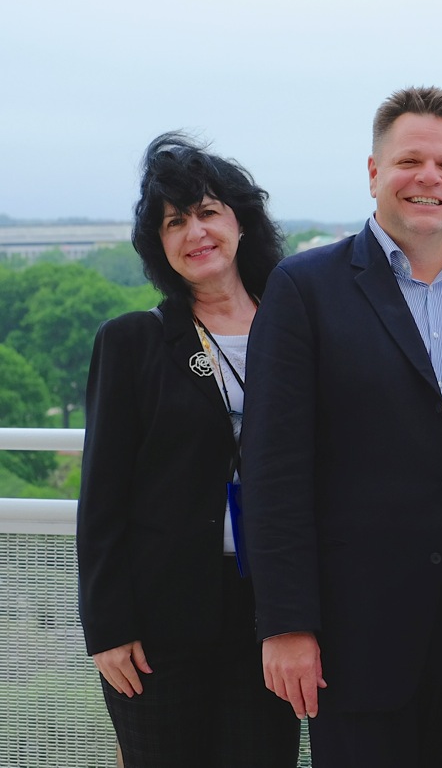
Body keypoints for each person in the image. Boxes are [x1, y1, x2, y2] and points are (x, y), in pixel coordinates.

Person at [239, 86, 442, 768]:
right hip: (357, 636)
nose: (429, 179)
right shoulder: (305, 288)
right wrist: (287, 624)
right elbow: (272, 469)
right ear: (374, 172)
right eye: (410, 160)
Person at [77, 132, 299, 767]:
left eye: (207, 213)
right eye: (175, 222)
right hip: (158, 624)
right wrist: (109, 628)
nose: (194, 232)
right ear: (160, 245)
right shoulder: (131, 343)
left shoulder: (299, 331)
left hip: (272, 614)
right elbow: (101, 500)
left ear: (239, 224)